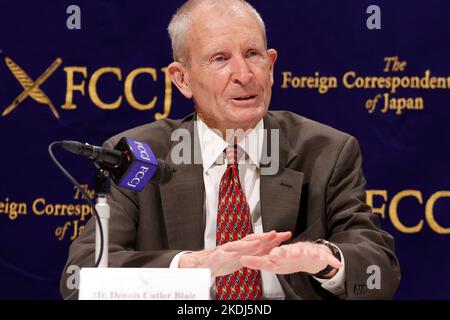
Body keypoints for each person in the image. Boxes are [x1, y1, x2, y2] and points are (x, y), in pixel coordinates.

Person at [60, 0, 400, 300]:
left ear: (271, 65)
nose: (243, 74)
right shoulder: (140, 155)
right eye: (220, 58)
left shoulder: (326, 151)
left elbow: (378, 273)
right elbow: (81, 276)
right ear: (182, 79)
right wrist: (194, 266)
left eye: (253, 54)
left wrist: (325, 260)